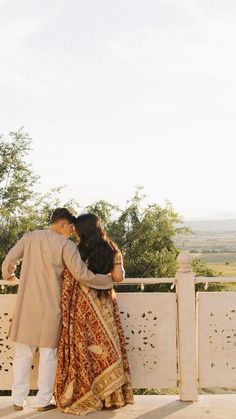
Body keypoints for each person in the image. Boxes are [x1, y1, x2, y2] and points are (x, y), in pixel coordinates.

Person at [1, 208, 113, 412]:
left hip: (26, 305)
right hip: (50, 308)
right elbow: (82, 275)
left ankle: (18, 400)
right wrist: (106, 281)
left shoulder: (30, 237)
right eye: (71, 227)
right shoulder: (65, 245)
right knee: (48, 355)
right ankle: (43, 401)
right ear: (62, 224)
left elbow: (9, 261)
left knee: (22, 355)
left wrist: (8, 276)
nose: (72, 231)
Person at [55, 213, 134, 415]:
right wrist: (108, 274)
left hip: (82, 305)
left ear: (81, 231)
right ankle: (112, 396)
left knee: (84, 349)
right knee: (108, 346)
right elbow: (118, 277)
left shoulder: (76, 250)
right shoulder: (112, 248)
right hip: (104, 302)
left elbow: (70, 277)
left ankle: (88, 394)